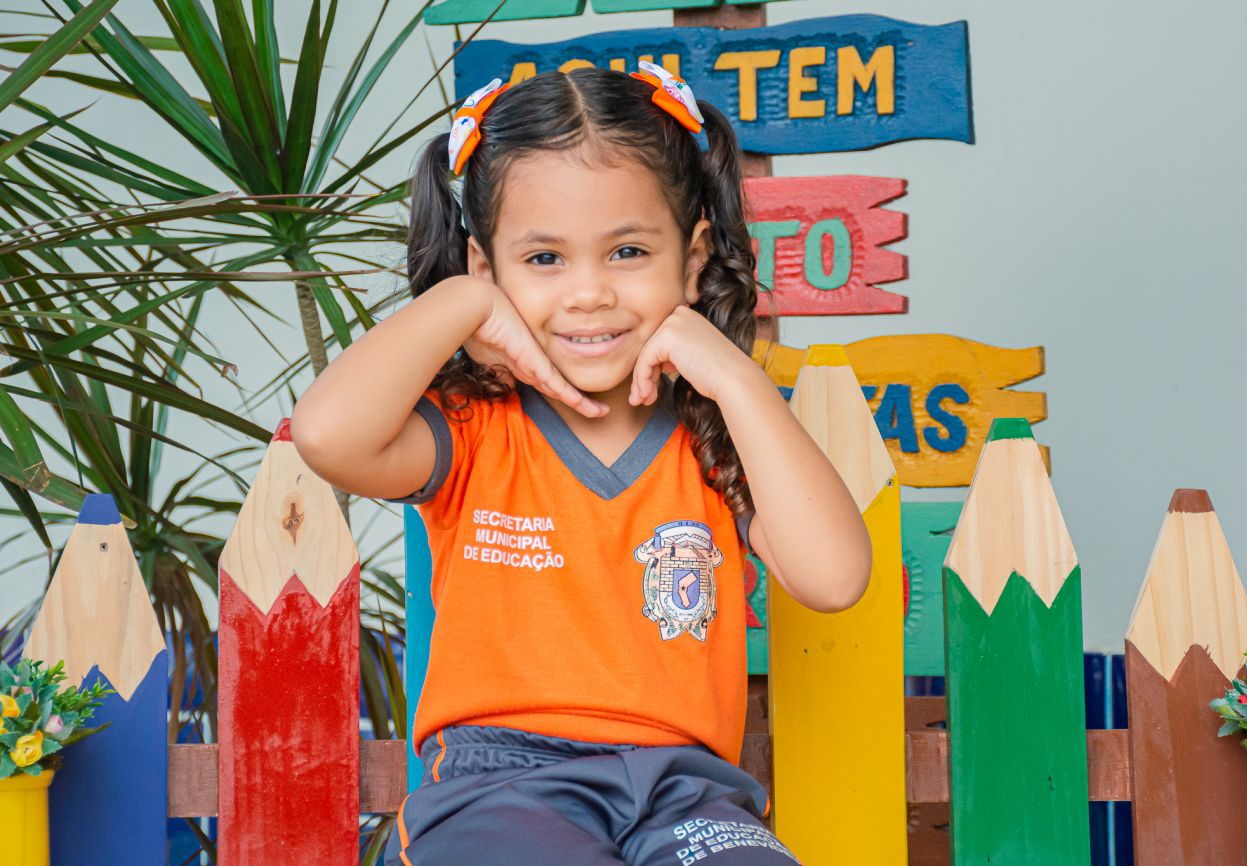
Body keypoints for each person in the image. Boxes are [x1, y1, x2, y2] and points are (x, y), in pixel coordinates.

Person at [292, 62, 872, 866]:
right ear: (488, 267)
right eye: (544, 259)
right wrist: (463, 303)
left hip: (687, 796)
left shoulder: (716, 436)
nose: (589, 293)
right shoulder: (472, 428)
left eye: (628, 251)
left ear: (692, 260)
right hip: (500, 789)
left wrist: (736, 378)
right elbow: (326, 436)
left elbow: (835, 579)